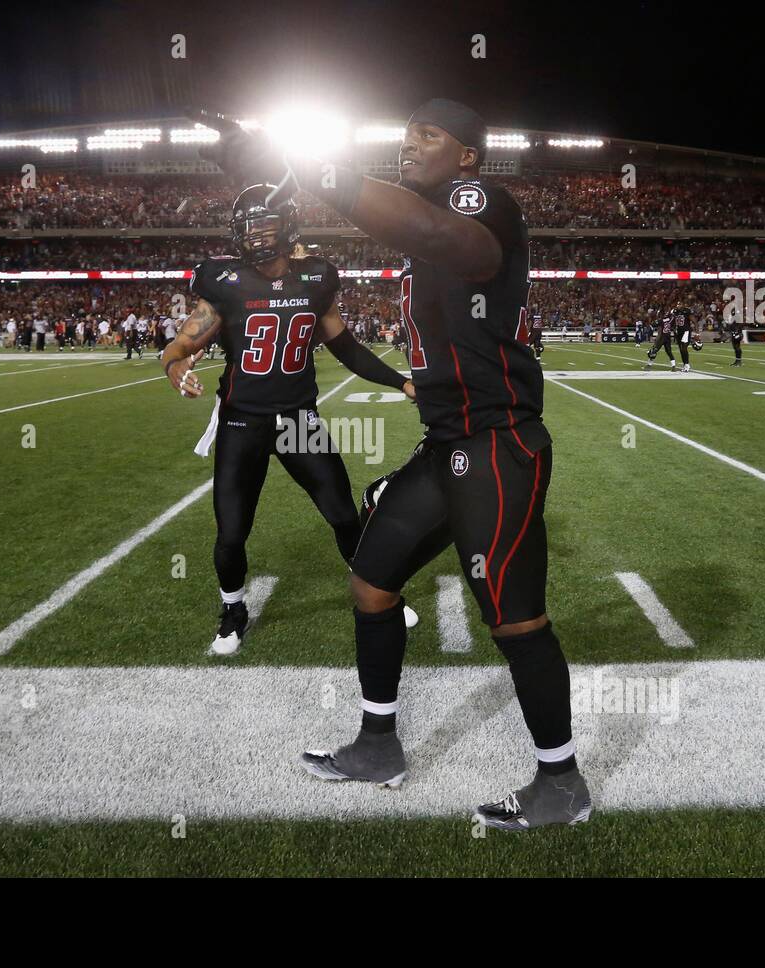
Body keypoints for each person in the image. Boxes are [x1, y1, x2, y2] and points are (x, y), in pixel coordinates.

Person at [200, 100, 590, 828]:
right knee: (372, 583)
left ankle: (561, 781)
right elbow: (399, 219)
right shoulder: (417, 213)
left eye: (429, 137)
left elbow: (444, 236)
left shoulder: (477, 204)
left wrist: (306, 169)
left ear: (468, 156)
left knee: (514, 621)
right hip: (449, 442)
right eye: (405, 137)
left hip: (497, 440)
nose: (409, 146)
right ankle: (379, 744)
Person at [163, 184, 420, 655]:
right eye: (250, 229)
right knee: (233, 530)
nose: (258, 238)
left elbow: (345, 348)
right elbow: (182, 344)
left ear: (289, 226)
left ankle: (380, 590)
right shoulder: (224, 281)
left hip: (298, 419)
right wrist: (175, 363)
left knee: (343, 513)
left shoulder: (316, 276)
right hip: (243, 421)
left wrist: (401, 382)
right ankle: (233, 609)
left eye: (266, 226)